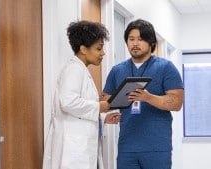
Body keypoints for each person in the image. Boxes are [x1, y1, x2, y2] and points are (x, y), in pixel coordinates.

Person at [103, 19, 184, 169]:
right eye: (131, 39)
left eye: (140, 39)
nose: (135, 43)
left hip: (157, 147)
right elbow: (105, 100)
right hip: (127, 147)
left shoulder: (166, 68)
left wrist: (148, 97)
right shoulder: (117, 70)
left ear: (151, 42)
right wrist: (115, 104)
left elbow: (176, 102)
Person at [42, 20, 121, 169]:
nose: (103, 53)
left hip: (79, 146)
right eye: (99, 49)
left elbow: (78, 109)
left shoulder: (82, 70)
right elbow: (69, 103)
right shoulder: (73, 70)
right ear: (83, 49)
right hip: (72, 149)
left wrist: (103, 118)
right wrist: (100, 106)